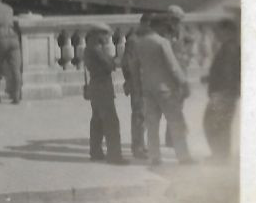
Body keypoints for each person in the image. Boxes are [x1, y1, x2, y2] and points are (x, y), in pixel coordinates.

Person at [137, 12, 194, 165]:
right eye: (165, 26)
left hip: (148, 87)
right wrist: (183, 83)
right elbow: (173, 66)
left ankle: (154, 157)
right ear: (160, 26)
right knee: (176, 122)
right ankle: (183, 156)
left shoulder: (140, 42)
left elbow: (137, 66)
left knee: (152, 125)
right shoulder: (162, 42)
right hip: (165, 89)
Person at [83, 25, 126, 163]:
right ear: (97, 35)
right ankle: (114, 155)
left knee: (97, 121)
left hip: (96, 88)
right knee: (111, 122)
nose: (108, 38)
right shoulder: (95, 49)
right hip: (102, 88)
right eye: (105, 35)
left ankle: (95, 152)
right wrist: (114, 61)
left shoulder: (90, 49)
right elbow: (109, 65)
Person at [203, 14, 240, 161]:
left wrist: (220, 93)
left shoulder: (230, 48)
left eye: (218, 32)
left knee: (214, 123)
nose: (216, 35)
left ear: (227, 31)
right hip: (225, 92)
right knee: (219, 124)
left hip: (223, 93)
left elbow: (228, 72)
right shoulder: (229, 46)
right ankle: (221, 155)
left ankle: (220, 156)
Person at [120, 15, 151, 159]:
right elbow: (126, 63)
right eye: (150, 24)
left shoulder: (145, 39)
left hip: (146, 83)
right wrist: (130, 81)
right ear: (144, 23)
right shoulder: (134, 40)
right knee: (139, 116)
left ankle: (141, 145)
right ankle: (137, 147)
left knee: (144, 116)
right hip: (137, 84)